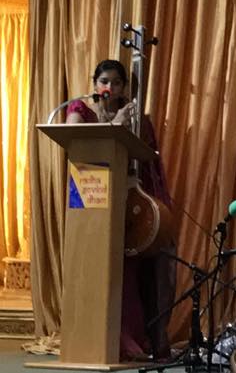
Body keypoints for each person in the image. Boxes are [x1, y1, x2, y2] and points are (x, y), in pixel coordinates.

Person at [66, 59, 174, 360]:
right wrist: (114, 125)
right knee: (88, 263)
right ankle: (85, 336)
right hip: (87, 195)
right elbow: (73, 137)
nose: (109, 87)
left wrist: (126, 125)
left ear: (124, 87)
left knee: (124, 270)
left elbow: (144, 158)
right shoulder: (80, 108)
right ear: (94, 83)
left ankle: (126, 338)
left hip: (123, 201)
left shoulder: (133, 117)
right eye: (103, 81)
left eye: (115, 82)